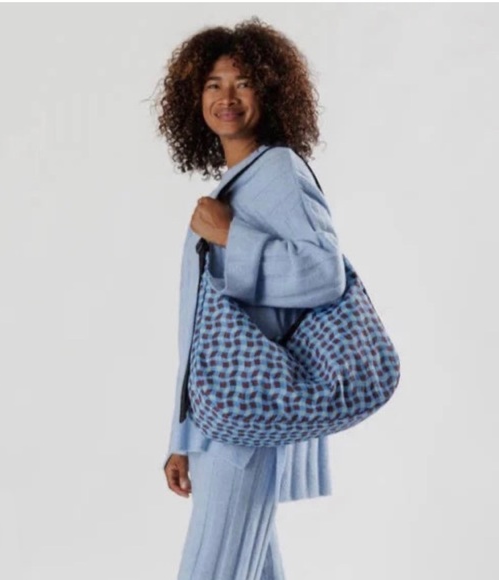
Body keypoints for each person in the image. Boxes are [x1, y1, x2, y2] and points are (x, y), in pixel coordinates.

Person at [152, 17, 346, 580]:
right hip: (220, 416)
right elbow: (200, 326)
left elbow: (325, 274)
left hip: (246, 414)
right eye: (213, 84)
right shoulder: (237, 182)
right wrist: (182, 436)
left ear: (270, 91)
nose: (227, 97)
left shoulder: (279, 171)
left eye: (243, 82)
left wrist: (232, 235)